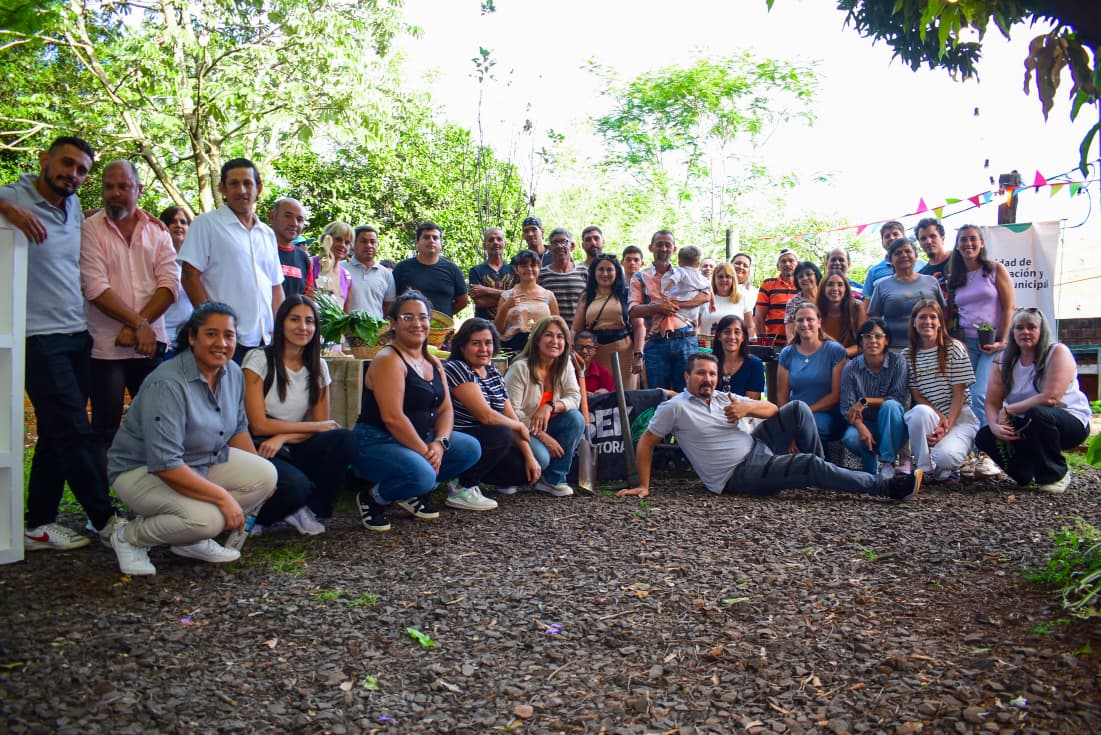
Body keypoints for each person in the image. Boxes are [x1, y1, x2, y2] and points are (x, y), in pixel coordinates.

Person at [1, 135, 122, 551]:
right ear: (44, 160)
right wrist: (5, 208)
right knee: (74, 429)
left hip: (77, 334)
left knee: (56, 432)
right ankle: (106, 520)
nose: (73, 174)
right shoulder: (13, 196)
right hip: (37, 337)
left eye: (82, 170)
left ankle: (38, 523)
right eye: (67, 164)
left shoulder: (72, 208)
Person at [105, 302, 278, 576]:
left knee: (266, 474)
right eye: (211, 334)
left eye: (229, 335)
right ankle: (129, 536)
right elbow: (164, 463)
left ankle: (188, 541)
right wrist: (222, 498)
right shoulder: (168, 383)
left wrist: (263, 484)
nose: (221, 343)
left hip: (199, 461)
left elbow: (238, 430)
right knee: (207, 520)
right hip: (141, 470)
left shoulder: (232, 372)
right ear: (192, 338)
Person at [617, 352, 921, 501]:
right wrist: (644, 486)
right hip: (737, 474)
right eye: (700, 374)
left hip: (757, 448)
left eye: (712, 374)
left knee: (799, 409)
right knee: (808, 462)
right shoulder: (676, 408)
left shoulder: (723, 395)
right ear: (687, 378)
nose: (707, 379)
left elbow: (773, 409)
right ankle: (883, 487)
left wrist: (747, 407)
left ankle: (823, 474)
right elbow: (646, 442)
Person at [349, 291, 480, 531]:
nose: (417, 324)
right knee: (423, 474)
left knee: (470, 448)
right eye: (408, 317)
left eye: (422, 317)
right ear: (393, 323)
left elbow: (446, 410)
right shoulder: (388, 360)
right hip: (377, 442)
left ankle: (408, 490)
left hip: (421, 438)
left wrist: (440, 444)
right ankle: (374, 497)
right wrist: (426, 453)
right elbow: (393, 418)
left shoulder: (433, 361)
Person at [80, 160, 179, 478]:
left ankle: (161, 498)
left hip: (150, 346)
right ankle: (103, 512)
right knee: (105, 428)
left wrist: (140, 326)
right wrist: (139, 324)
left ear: (139, 190)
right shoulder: (89, 229)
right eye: (109, 187)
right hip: (105, 348)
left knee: (159, 423)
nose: (115, 193)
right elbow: (95, 288)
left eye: (124, 186)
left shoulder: (157, 232)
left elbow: (169, 285)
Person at [242, 295, 358, 535]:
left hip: (288, 443)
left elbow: (320, 427)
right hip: (259, 446)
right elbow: (259, 425)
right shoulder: (259, 359)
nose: (302, 327)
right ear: (281, 322)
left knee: (343, 439)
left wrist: (283, 437)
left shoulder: (318, 366)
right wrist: (311, 429)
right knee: (296, 487)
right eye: (295, 319)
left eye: (309, 321)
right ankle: (260, 515)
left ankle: (310, 509)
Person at [180, 158, 285, 362]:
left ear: (259, 188)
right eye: (234, 184)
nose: (241, 190)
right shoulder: (207, 224)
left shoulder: (267, 233)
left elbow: (275, 286)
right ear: (222, 189)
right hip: (224, 342)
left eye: (247, 183)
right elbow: (189, 275)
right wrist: (210, 324)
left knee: (259, 395)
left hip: (264, 341)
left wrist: (278, 329)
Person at [976, 308, 1091, 493]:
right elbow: (991, 402)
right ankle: (1025, 472)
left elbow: (1050, 397)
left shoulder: (1057, 352)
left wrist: (1009, 410)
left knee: (1038, 414)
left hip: (1067, 421)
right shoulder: (1003, 360)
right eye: (1019, 328)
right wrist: (995, 426)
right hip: (1027, 422)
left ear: (1042, 330)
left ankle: (1056, 475)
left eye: (1031, 327)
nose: (1025, 332)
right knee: (984, 436)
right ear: (1012, 333)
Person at [444, 318, 546, 506]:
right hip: (461, 438)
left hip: (488, 440)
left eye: (488, 343)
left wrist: (529, 456)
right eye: (476, 343)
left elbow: (509, 415)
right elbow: (485, 416)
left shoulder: (492, 372)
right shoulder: (456, 368)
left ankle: (477, 479)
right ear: (462, 347)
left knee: (532, 464)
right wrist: (518, 426)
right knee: (501, 432)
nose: (484, 349)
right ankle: (461, 487)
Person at [503, 317, 586, 497]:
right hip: (517, 429)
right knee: (542, 457)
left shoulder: (564, 366)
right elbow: (511, 412)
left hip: (546, 425)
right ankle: (507, 478)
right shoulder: (520, 368)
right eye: (549, 335)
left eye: (560, 336)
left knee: (575, 419)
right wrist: (541, 435)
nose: (555, 341)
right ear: (537, 339)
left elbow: (574, 397)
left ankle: (552, 480)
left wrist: (551, 406)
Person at [946, 224, 1014, 430]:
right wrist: (955, 341)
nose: (968, 243)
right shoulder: (954, 278)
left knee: (980, 394)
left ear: (981, 243)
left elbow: (1008, 307)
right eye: (963, 239)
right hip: (966, 345)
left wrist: (1002, 340)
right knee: (966, 394)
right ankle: (973, 444)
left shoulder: (994, 269)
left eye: (973, 238)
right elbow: (951, 314)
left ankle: (986, 447)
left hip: (992, 344)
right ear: (957, 246)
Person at [903, 299, 979, 483]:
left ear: (939, 322)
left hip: (959, 416)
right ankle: (924, 468)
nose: (927, 321)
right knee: (918, 413)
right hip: (932, 414)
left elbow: (959, 394)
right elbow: (917, 395)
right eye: (922, 317)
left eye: (932, 317)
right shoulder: (907, 355)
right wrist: (940, 418)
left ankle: (952, 459)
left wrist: (947, 426)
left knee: (946, 457)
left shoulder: (954, 348)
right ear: (914, 322)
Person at [629, 230, 709, 391]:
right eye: (659, 244)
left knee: (688, 393)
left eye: (668, 245)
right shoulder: (640, 277)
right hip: (656, 341)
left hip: (685, 339)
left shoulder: (687, 272)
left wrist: (678, 304)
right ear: (651, 247)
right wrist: (659, 307)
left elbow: (706, 295)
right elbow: (633, 310)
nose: (664, 248)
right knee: (658, 395)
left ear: (674, 248)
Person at [840, 317, 910, 476]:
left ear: (886, 340)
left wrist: (865, 401)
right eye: (867, 336)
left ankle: (888, 462)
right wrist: (861, 427)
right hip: (866, 422)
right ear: (861, 341)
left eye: (878, 336)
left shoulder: (898, 362)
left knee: (890, 406)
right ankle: (870, 469)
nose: (873, 341)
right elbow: (847, 408)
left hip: (894, 425)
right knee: (851, 438)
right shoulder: (851, 368)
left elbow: (897, 398)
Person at [778, 303, 848, 443]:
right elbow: (782, 395)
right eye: (800, 320)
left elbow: (836, 395)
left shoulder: (835, 351)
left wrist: (805, 412)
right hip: (795, 413)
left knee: (809, 428)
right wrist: (786, 421)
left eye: (810, 319)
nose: (805, 324)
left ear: (819, 322)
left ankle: (816, 464)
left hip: (826, 413)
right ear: (795, 324)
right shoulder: (787, 353)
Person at [865, 237, 946, 348]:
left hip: (930, 347)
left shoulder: (931, 281)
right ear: (890, 260)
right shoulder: (882, 286)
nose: (904, 255)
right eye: (898, 253)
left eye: (908, 251)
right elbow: (874, 319)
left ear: (916, 256)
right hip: (895, 349)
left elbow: (943, 313)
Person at [572, 253, 634, 388]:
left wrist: (639, 354)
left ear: (616, 272)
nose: (605, 273)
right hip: (595, 352)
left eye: (609, 269)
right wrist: (571, 351)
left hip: (624, 352)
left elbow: (639, 326)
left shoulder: (626, 294)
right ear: (594, 272)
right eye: (600, 269)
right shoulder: (586, 296)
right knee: (601, 394)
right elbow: (576, 329)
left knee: (626, 395)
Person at [393, 221, 469, 318]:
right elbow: (392, 300)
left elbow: (463, 301)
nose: (431, 240)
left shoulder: (452, 269)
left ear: (441, 243)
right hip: (411, 329)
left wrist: (441, 317)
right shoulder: (402, 268)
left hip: (443, 330)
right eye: (426, 237)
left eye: (435, 238)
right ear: (417, 242)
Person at [495, 249, 559, 354]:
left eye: (533, 265)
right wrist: (506, 307)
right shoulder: (507, 296)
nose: (529, 269)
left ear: (539, 267)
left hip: (542, 347)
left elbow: (557, 326)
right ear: (516, 269)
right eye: (524, 266)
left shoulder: (548, 296)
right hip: (514, 347)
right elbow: (499, 330)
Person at [864, 220, 926, 303]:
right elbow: (867, 304)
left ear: (904, 238)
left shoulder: (923, 265)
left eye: (895, 234)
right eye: (887, 236)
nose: (892, 238)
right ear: (882, 242)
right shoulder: (874, 272)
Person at [159, 206, 194, 355]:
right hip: (163, 342)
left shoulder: (196, 264)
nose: (178, 225)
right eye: (172, 222)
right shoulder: (156, 261)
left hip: (189, 344)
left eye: (183, 222)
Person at [656, 245, 711, 336]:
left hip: (678, 304)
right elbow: (708, 289)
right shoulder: (700, 277)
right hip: (691, 312)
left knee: (666, 316)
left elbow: (674, 279)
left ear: (679, 262)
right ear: (698, 264)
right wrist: (712, 303)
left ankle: (659, 329)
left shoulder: (681, 271)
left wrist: (666, 290)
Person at [538, 227, 588, 326]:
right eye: (555, 242)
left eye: (564, 241)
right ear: (550, 248)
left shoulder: (584, 272)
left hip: (580, 335)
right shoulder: (542, 274)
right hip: (553, 335)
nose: (560, 246)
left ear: (572, 246)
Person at [344, 225, 395, 319]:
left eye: (373, 242)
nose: (369, 245)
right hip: (344, 331)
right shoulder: (340, 268)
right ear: (353, 244)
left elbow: (388, 306)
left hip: (375, 331)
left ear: (378, 245)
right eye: (363, 241)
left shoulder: (386, 274)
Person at [699, 262, 753, 347]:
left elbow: (750, 327)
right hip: (706, 350)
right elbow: (695, 325)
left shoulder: (742, 298)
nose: (724, 280)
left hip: (734, 351)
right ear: (714, 279)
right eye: (720, 276)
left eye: (728, 276)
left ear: (733, 279)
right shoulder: (705, 297)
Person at [710, 314, 764, 399]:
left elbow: (750, 403)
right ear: (719, 336)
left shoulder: (755, 365)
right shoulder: (709, 363)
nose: (732, 337)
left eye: (737, 332)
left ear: (743, 337)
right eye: (727, 332)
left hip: (744, 411)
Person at [468, 227, 516, 320]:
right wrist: (509, 299)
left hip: (510, 325)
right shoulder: (475, 271)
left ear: (504, 243)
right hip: (484, 325)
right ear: (484, 246)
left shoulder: (513, 270)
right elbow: (480, 302)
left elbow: (518, 296)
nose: (495, 242)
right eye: (491, 240)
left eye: (499, 239)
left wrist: (486, 290)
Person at [754, 248, 799, 348]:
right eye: (783, 261)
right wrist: (764, 344)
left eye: (791, 261)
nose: (787, 264)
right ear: (778, 266)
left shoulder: (803, 284)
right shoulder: (768, 284)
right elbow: (759, 316)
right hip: (774, 344)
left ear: (798, 264)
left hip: (800, 343)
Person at [817, 272, 866, 357]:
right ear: (823, 289)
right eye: (830, 284)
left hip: (850, 361)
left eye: (840, 285)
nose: (835, 288)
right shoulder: (815, 311)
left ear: (846, 289)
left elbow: (863, 343)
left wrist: (841, 354)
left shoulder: (857, 309)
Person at [269, 197, 310, 297]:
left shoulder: (303, 258)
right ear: (272, 216)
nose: (294, 223)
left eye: (299, 219)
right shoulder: (259, 250)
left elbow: (308, 296)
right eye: (287, 216)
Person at [308, 221, 354, 308]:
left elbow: (345, 315)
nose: (342, 245)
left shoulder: (347, 277)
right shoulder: (310, 264)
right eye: (338, 239)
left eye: (347, 243)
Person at [783, 261, 822, 343]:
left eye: (808, 274)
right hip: (804, 347)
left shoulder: (827, 296)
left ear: (816, 275)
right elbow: (790, 335)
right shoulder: (793, 303)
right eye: (800, 276)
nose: (805, 278)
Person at [915, 217, 951, 298]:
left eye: (932, 236)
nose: (928, 241)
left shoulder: (960, 258)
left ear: (942, 238)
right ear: (920, 243)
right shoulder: (922, 276)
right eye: (923, 238)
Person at [573, 330, 615, 394]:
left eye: (589, 347)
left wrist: (604, 393)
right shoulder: (566, 369)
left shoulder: (603, 372)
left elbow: (613, 396)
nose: (584, 351)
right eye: (579, 347)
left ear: (595, 350)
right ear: (573, 349)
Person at [731, 252, 758, 340]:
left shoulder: (754, 292)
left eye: (745, 265)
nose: (741, 267)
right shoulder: (718, 288)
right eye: (737, 263)